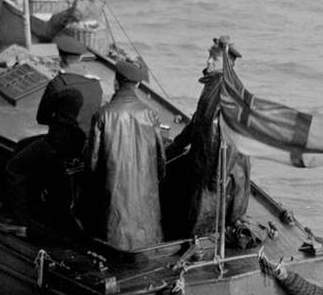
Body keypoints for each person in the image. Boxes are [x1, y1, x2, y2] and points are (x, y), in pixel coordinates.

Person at [1, 35, 103, 232]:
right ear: (80, 58)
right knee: (23, 145)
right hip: (82, 147)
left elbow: (42, 117)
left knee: (14, 169)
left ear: (60, 57)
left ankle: (21, 220)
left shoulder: (58, 84)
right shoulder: (95, 84)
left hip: (57, 146)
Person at [161, 36, 251, 238]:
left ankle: (200, 243)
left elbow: (226, 142)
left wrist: (215, 180)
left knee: (203, 218)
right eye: (209, 57)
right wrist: (174, 148)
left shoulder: (226, 93)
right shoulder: (212, 85)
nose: (208, 62)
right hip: (207, 162)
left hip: (220, 170)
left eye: (214, 59)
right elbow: (197, 122)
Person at [84, 59, 166, 250]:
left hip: (114, 198)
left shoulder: (103, 114)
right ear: (137, 84)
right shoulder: (151, 114)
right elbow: (161, 160)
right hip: (145, 193)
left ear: (116, 82)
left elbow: (92, 163)